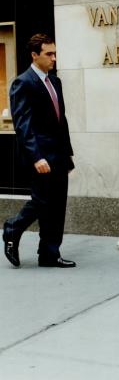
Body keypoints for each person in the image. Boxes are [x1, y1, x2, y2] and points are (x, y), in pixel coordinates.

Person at [3, 34, 76, 268]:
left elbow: (60, 121)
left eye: (55, 53)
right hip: (41, 156)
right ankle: (12, 229)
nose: (54, 58)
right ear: (35, 55)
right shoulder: (23, 83)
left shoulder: (55, 82)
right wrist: (37, 157)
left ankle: (49, 254)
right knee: (41, 201)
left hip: (59, 155)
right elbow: (23, 125)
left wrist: (68, 154)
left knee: (57, 205)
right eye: (49, 54)